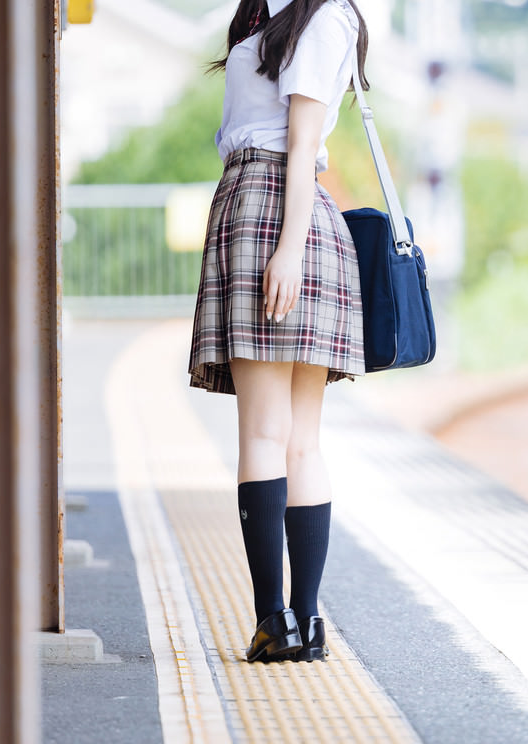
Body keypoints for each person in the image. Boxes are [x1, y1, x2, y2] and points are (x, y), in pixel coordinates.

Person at [188, 0, 369, 663]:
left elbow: (302, 140)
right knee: (296, 441)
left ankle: (281, 620)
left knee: (275, 436)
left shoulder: (325, 17)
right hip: (270, 210)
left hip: (278, 212)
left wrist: (288, 246)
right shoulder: (275, 16)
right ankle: (300, 621)